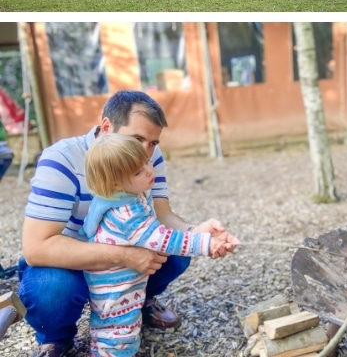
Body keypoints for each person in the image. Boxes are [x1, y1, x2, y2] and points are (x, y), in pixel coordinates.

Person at [18, 90, 239, 357]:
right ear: (107, 127)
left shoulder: (147, 158)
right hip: (70, 260)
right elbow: (36, 247)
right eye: (137, 139)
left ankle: (138, 302)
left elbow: (162, 215)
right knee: (50, 286)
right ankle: (56, 338)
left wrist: (196, 234)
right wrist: (126, 256)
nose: (146, 154)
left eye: (153, 142)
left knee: (178, 253)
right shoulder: (61, 159)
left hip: (125, 252)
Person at [83, 133, 229, 357]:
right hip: (116, 287)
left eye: (147, 162)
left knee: (110, 327)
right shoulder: (126, 213)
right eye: (138, 171)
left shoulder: (125, 195)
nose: (149, 170)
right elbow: (163, 239)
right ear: (115, 182)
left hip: (122, 282)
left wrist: (198, 230)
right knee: (120, 332)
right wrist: (206, 243)